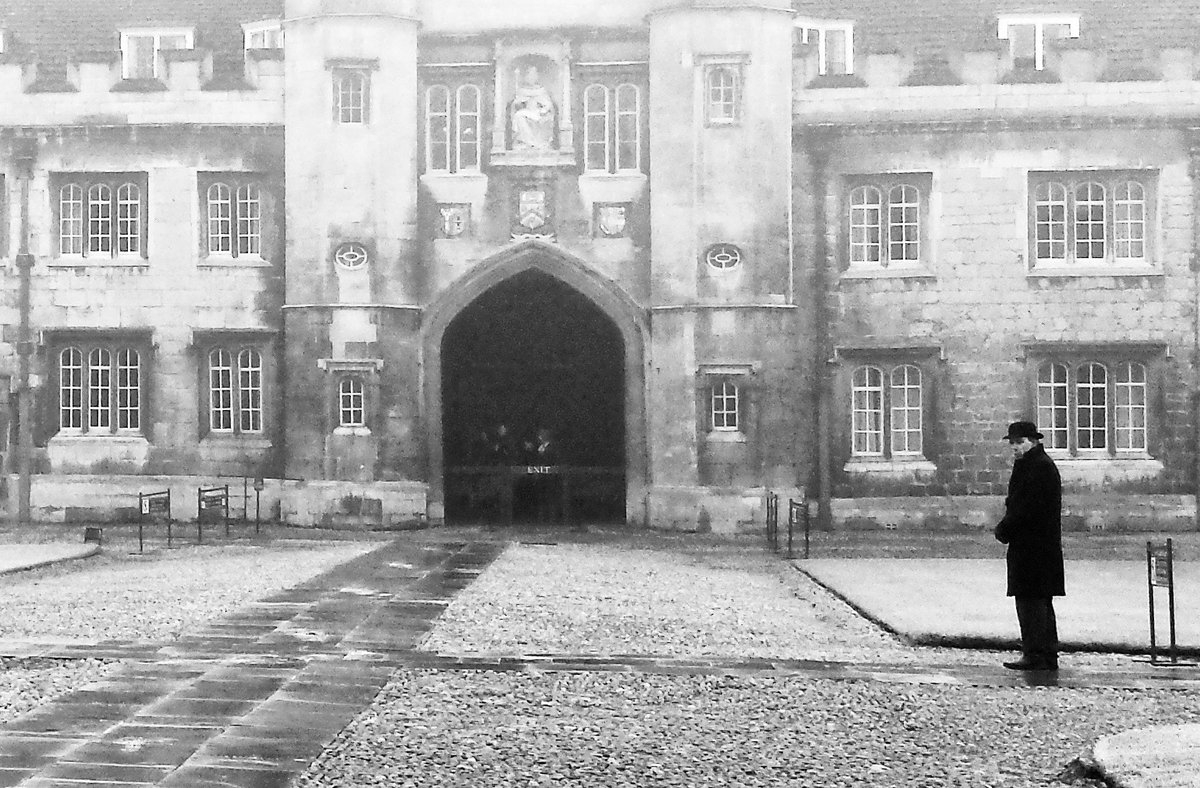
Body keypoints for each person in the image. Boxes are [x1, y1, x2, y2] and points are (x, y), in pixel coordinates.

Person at [994, 420, 1065, 671]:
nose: (1015, 447)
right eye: (1012, 443)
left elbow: (1027, 508)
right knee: (1036, 602)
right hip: (1033, 548)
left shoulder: (1039, 468)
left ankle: (1037, 654)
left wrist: (1004, 528)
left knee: (1032, 602)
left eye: (1020, 442)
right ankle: (1044, 653)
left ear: (1033, 442)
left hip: (1035, 548)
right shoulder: (1030, 465)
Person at [509, 65, 555, 150]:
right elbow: (515, 105)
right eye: (530, 75)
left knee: (545, 118)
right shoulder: (522, 90)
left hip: (538, 113)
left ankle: (539, 143)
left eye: (533, 75)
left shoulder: (541, 90)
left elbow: (548, 105)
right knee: (519, 116)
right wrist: (519, 102)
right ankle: (528, 142)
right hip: (527, 112)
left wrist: (544, 110)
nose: (531, 78)